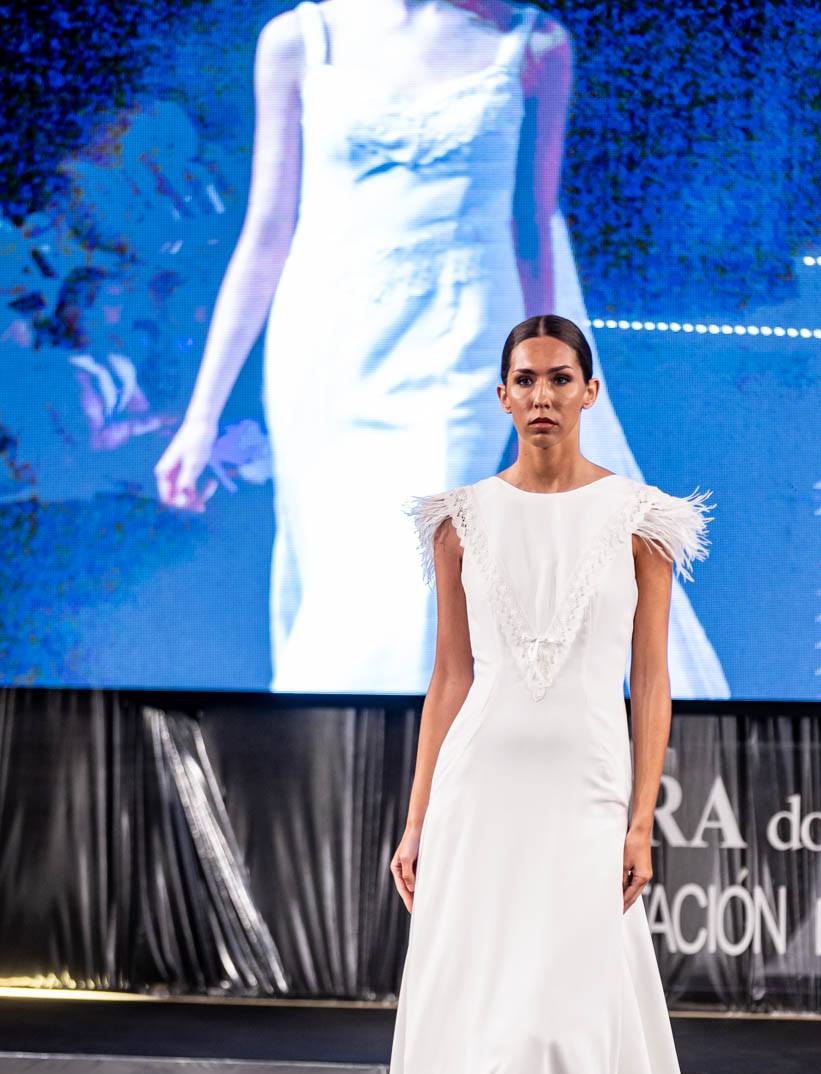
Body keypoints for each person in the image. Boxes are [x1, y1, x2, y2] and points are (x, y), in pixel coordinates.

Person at [383, 314, 821, 1074]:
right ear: (501, 395)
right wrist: (417, 818)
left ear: (590, 391)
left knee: (553, 1033)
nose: (542, 395)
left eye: (560, 377)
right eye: (525, 379)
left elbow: (652, 678)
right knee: (475, 1026)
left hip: (587, 796)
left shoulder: (640, 519)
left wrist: (641, 818)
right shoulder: (458, 521)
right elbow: (450, 676)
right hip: (478, 797)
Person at [153, 0, 728, 696]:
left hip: (462, 339)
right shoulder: (299, 39)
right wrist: (201, 418)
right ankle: (336, 747)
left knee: (415, 572)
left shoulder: (533, 44)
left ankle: (397, 753)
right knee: (338, 574)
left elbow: (532, 229)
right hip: (325, 349)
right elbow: (267, 230)